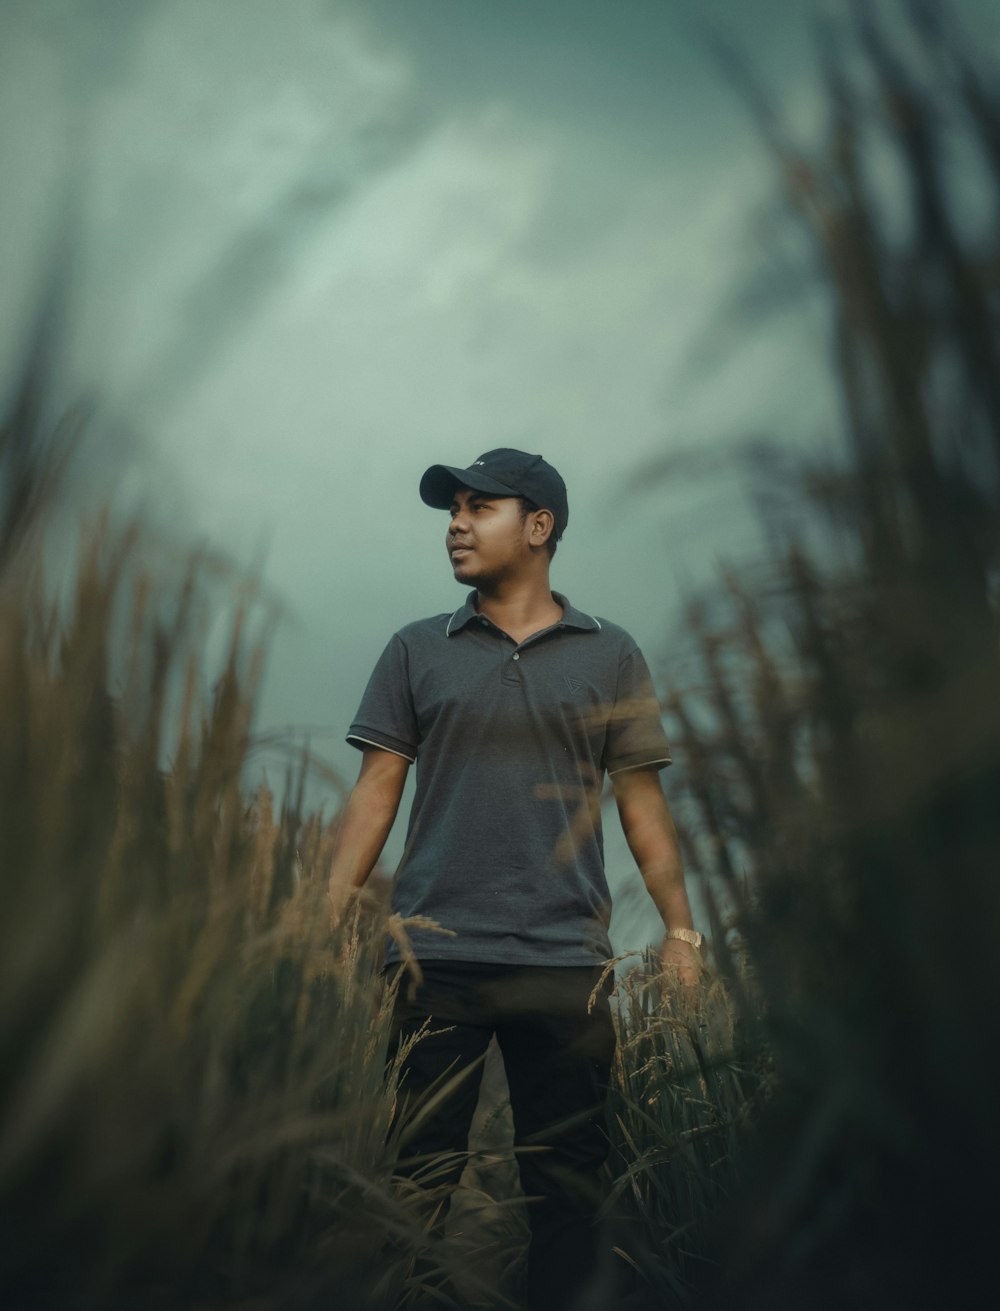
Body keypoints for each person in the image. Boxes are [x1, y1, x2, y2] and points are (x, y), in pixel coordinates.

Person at [328, 448, 701, 1310]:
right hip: (431, 960)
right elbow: (374, 793)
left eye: (478, 506)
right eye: (451, 508)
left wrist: (681, 933)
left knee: (568, 1199)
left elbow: (642, 807)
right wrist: (321, 908)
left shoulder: (611, 654)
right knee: (413, 1188)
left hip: (566, 964)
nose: (455, 522)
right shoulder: (416, 648)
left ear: (540, 527)